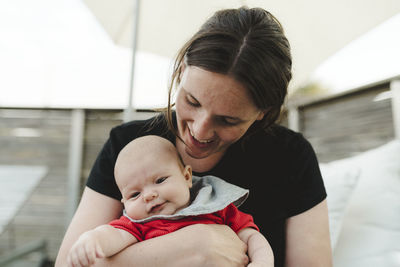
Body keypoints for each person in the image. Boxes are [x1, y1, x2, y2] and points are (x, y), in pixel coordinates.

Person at [56, 6, 332, 267]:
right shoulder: (127, 146)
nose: (199, 131)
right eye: (192, 101)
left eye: (228, 119)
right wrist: (192, 247)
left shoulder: (291, 157)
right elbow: (67, 263)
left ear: (263, 112)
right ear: (181, 72)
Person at [67, 135, 273, 267]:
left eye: (160, 180)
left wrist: (262, 261)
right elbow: (112, 235)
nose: (148, 195)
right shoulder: (138, 225)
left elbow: (251, 236)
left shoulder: (215, 206)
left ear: (186, 177)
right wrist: (92, 240)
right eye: (134, 195)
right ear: (124, 203)